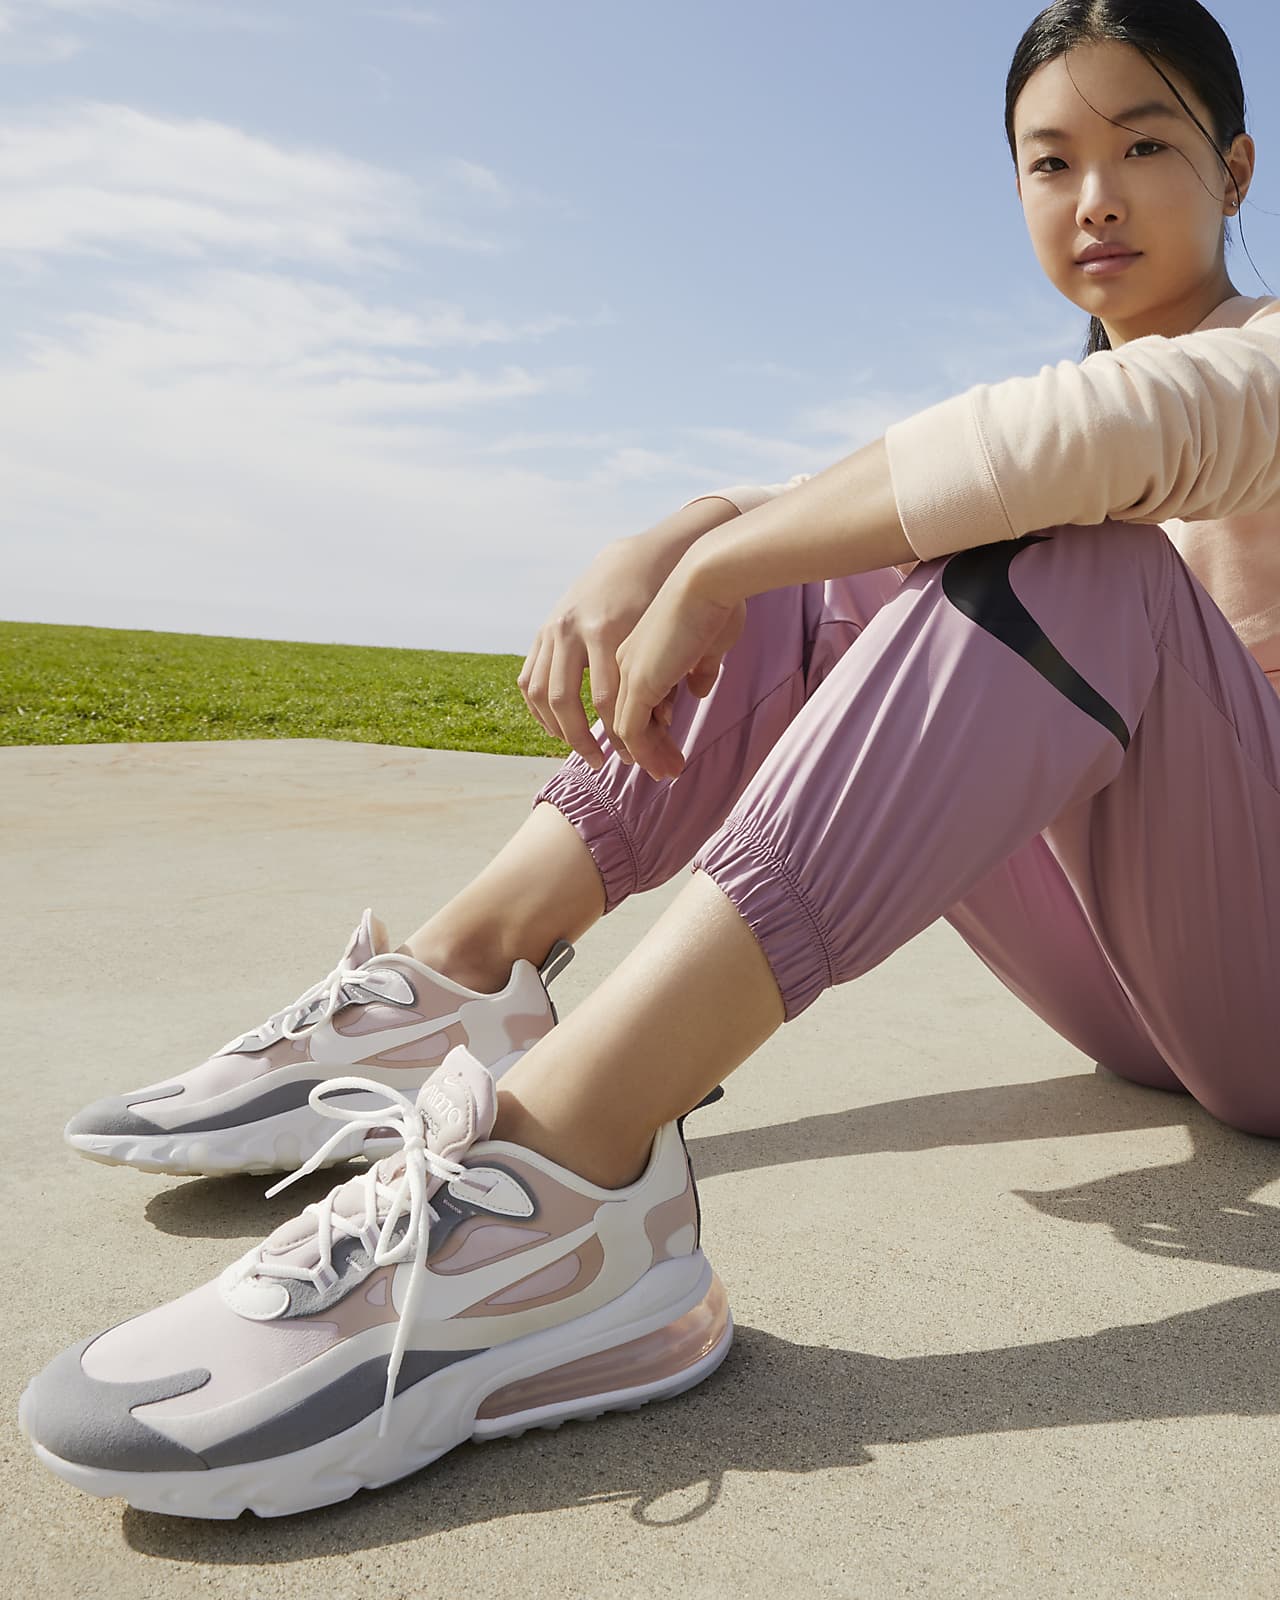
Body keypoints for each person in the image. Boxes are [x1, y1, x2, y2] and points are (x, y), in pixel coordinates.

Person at [19, 0, 1280, 1520]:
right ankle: (461, 984)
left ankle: (563, 1189)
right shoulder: (1063, 412)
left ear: (1237, 172)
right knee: (825, 579)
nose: (1094, 198)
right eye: (1048, 161)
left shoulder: (1254, 367)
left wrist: (721, 554)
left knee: (1076, 561)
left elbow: (1103, 433)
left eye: (1144, 147)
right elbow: (968, 466)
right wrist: (682, 537)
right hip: (1145, 984)